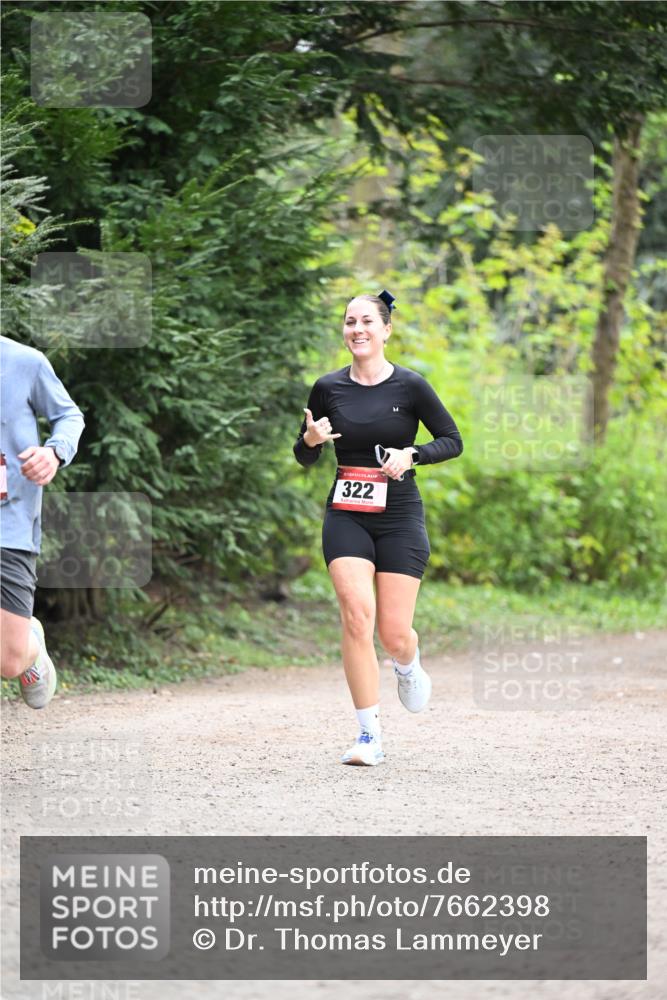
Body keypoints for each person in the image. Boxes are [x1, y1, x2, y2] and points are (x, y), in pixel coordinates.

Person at [293, 290, 463, 766]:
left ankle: (407, 662)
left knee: (393, 632)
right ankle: (369, 736)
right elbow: (304, 454)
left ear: (386, 329)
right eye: (350, 322)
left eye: (367, 321)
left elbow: (453, 440)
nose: (357, 329)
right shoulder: (327, 388)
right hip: (346, 511)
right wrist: (309, 440)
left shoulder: (411, 387)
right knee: (355, 615)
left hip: (400, 515)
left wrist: (413, 455)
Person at [0, 335, 85, 708]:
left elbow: (69, 416)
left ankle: (30, 643)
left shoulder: (25, 362)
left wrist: (54, 452)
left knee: (9, 660)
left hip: (9, 521)